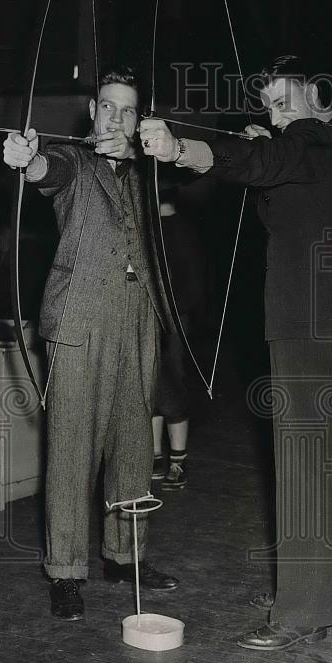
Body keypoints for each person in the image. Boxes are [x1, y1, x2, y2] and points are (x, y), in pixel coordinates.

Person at [139, 55, 332, 651]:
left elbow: (258, 161)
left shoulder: (310, 142)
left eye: (284, 101)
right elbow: (270, 168)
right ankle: (308, 591)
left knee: (304, 460)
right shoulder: (321, 148)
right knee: (311, 460)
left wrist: (179, 148)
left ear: (318, 98)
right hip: (315, 319)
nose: (275, 114)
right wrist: (265, 147)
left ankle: (302, 610)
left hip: (306, 323)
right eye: (269, 104)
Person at [2, 65, 179, 622]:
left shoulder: (150, 169)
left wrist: (155, 152)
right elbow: (45, 171)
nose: (117, 118)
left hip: (139, 314)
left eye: (128, 110)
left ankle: (125, 557)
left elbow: (192, 177)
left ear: (138, 118)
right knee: (73, 445)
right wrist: (27, 158)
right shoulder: (74, 159)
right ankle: (65, 570)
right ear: (92, 111)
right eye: (108, 106)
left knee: (134, 442)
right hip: (80, 317)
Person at [151, 184, 205, 490]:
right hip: (150, 319)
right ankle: (156, 457)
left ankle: (178, 460)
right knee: (152, 386)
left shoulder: (178, 230)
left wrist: (174, 310)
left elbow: (194, 283)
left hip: (173, 321)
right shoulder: (151, 227)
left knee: (172, 386)